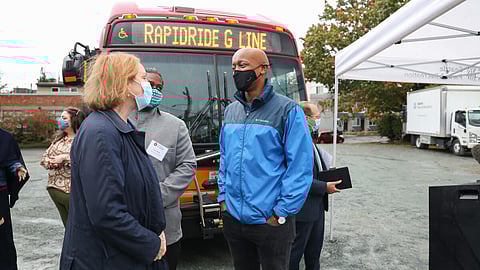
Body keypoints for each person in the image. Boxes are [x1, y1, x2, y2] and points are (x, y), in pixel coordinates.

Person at [59, 53, 168, 270]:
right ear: (124, 84)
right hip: (106, 260)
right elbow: (106, 213)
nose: (148, 86)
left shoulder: (117, 127)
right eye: (143, 78)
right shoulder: (101, 133)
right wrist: (150, 243)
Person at [217, 48, 313, 270]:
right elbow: (224, 158)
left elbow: (300, 167)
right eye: (233, 67)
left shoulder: (287, 110)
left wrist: (280, 212)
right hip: (234, 218)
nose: (236, 71)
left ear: (262, 69)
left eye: (242, 65)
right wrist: (223, 199)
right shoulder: (231, 111)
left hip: (270, 222)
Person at [129, 68, 196, 270]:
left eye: (159, 87)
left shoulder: (175, 126)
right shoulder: (118, 120)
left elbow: (187, 164)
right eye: (150, 84)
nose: (155, 90)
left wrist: (158, 195)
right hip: (127, 224)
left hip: (166, 225)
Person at [289, 102, 342, 270]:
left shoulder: (309, 141)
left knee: (313, 257)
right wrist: (324, 187)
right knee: (293, 257)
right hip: (302, 211)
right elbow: (297, 178)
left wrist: (328, 174)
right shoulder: (296, 143)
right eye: (316, 117)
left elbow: (314, 171)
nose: (318, 120)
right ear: (305, 119)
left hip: (317, 209)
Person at [40, 107, 85, 227]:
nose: (60, 120)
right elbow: (44, 158)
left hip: (70, 191)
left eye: (64, 118)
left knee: (77, 226)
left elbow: (84, 160)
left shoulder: (81, 140)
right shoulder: (59, 139)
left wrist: (64, 158)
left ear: (74, 120)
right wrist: (51, 161)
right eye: (60, 117)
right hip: (54, 188)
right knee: (67, 225)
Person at [0, 128, 29, 270]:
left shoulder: (4, 137)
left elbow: (11, 160)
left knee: (2, 239)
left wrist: (18, 168)